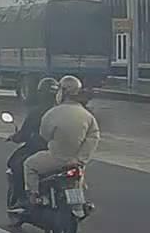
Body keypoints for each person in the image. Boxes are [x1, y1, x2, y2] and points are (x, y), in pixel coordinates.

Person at [24, 75, 100, 206]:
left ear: (63, 92)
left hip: (56, 157)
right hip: (78, 162)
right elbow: (93, 137)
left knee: (29, 165)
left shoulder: (53, 113)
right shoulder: (87, 115)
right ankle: (78, 203)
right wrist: (81, 158)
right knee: (78, 183)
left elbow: (45, 135)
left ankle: (34, 196)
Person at [7, 77, 58, 212]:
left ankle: (22, 198)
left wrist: (14, 137)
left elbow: (24, 133)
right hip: (64, 151)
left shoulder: (37, 112)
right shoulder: (60, 111)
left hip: (38, 150)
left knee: (16, 164)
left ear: (41, 93)